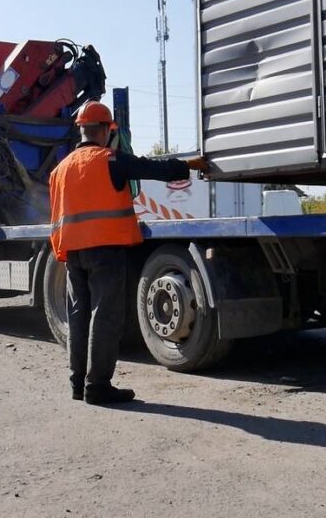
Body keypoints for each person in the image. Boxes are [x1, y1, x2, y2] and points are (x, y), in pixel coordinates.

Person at [49, 101, 208, 405]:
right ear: (107, 130)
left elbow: (56, 217)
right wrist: (190, 164)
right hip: (105, 251)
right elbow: (153, 169)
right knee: (104, 317)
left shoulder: (60, 170)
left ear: (81, 129)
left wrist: (64, 250)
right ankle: (97, 386)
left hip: (73, 253)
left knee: (79, 316)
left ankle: (77, 384)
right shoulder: (111, 160)